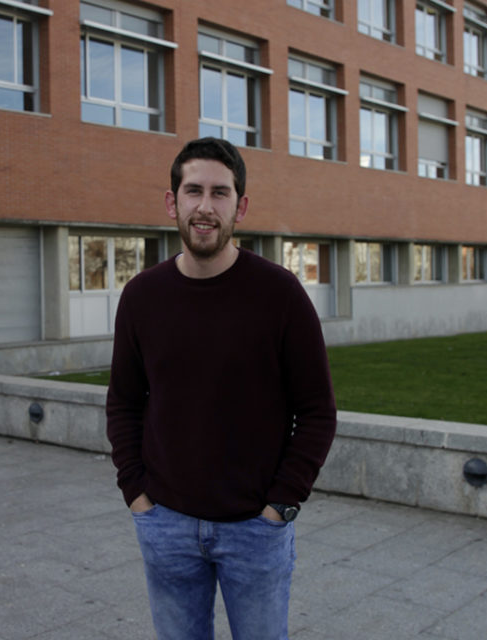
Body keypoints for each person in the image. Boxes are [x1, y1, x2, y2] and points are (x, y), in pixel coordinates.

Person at [106, 137, 337, 640]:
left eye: (220, 193)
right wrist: (136, 494)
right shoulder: (142, 296)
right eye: (193, 191)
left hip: (256, 530)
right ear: (172, 203)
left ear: (241, 206)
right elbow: (124, 402)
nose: (205, 207)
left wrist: (281, 505)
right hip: (165, 523)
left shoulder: (280, 295)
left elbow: (318, 411)